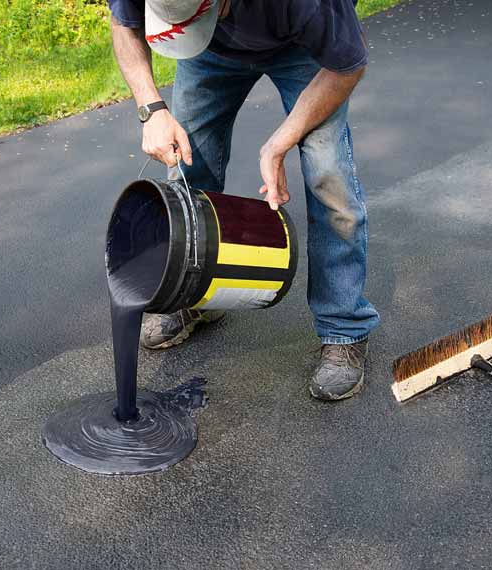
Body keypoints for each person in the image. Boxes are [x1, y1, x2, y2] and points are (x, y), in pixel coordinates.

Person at [107, 0, 380, 400]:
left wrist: (279, 143)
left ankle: (344, 326)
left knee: (328, 175)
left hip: (303, 49)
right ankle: (194, 297)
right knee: (188, 164)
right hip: (210, 53)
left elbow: (347, 66)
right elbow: (124, 23)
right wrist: (151, 109)